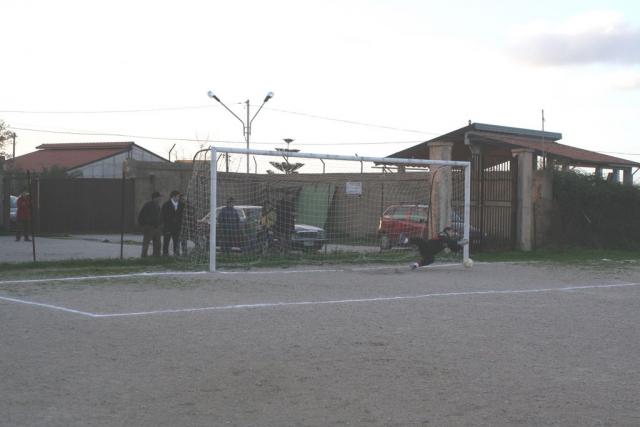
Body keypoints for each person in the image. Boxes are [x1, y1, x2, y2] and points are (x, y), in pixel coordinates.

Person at [138, 192, 162, 257]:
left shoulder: (158, 206)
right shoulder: (147, 205)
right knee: (146, 243)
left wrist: (160, 224)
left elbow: (159, 216)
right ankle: (144, 256)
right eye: (159, 197)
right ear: (155, 198)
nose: (160, 199)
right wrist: (144, 226)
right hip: (149, 227)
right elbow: (141, 216)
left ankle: (156, 256)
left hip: (156, 227)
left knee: (157, 244)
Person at [162, 190, 184, 256]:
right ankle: (165, 254)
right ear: (173, 197)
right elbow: (163, 215)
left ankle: (176, 253)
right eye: (178, 196)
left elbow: (182, 215)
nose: (179, 198)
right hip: (168, 227)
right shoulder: (166, 204)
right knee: (166, 241)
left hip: (177, 227)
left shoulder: (181, 204)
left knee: (176, 241)